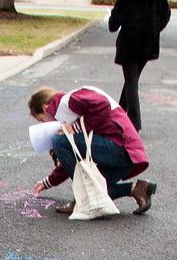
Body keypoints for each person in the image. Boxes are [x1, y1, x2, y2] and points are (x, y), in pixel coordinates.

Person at [27, 85, 156, 216]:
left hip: (122, 149)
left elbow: (102, 105)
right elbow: (73, 156)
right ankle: (138, 189)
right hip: (127, 153)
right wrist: (48, 182)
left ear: (45, 108)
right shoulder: (69, 105)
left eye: (42, 120)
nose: (44, 124)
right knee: (96, 188)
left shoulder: (68, 101)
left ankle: (82, 199)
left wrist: (75, 128)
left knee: (59, 141)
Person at [107, 0, 170, 129]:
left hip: (129, 43)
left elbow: (116, 19)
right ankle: (117, 114)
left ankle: (134, 123)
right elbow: (166, 15)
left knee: (131, 81)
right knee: (131, 80)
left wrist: (113, 20)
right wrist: (154, 29)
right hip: (148, 44)